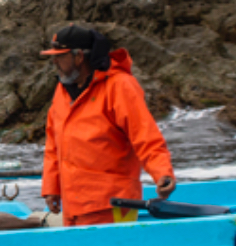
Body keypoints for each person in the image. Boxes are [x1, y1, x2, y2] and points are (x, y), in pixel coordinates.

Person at [39, 24, 175, 227]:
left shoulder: (119, 86)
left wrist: (162, 174)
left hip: (114, 204)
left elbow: (145, 136)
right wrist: (51, 187)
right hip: (74, 206)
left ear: (79, 57)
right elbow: (53, 144)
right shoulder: (62, 90)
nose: (54, 61)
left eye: (60, 56)